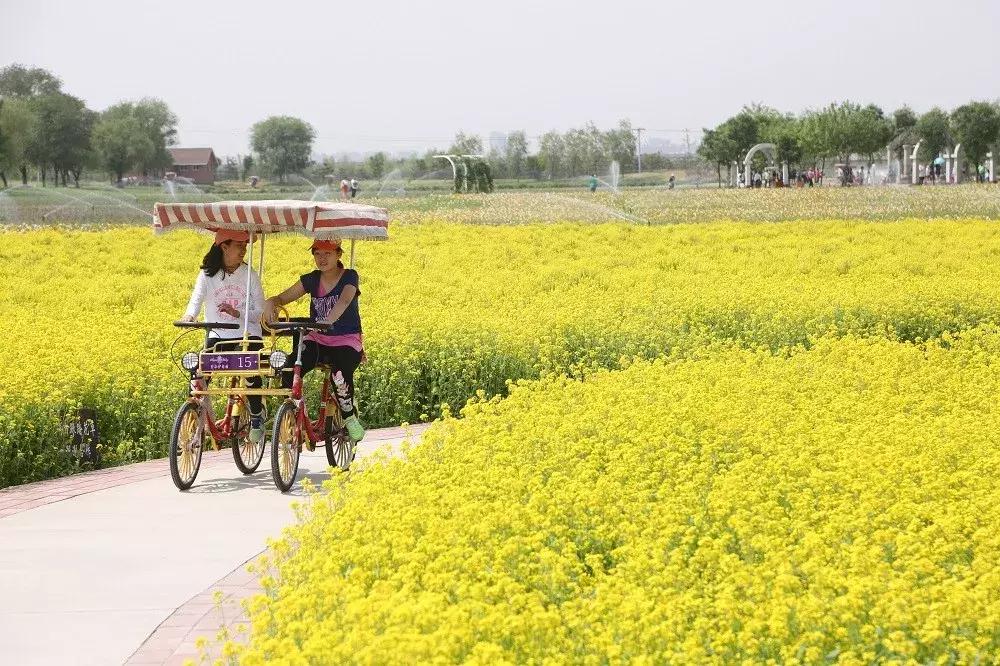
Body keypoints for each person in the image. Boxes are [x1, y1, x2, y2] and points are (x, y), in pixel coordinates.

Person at [264, 239, 366, 443]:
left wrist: (327, 320)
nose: (322, 259)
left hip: (346, 341)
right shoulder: (311, 279)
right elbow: (284, 297)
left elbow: (345, 300)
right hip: (318, 338)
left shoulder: (349, 276)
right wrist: (271, 302)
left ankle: (348, 415)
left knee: (339, 373)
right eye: (317, 254)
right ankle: (296, 410)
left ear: (339, 254)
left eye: (327, 254)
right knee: (289, 369)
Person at [181, 229, 267, 444]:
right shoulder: (207, 274)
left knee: (249, 371)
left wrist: (238, 313)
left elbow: (261, 313)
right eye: (239, 246)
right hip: (218, 334)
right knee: (199, 375)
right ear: (224, 247)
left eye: (245, 246)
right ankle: (197, 417)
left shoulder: (250, 274)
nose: (243, 251)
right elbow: (196, 300)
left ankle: (256, 416)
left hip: (247, 333)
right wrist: (189, 316)